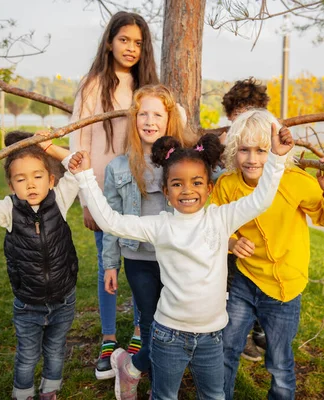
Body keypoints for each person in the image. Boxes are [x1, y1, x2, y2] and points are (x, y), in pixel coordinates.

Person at [70, 123, 295, 399]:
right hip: (168, 336)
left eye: (197, 182)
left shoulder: (221, 219)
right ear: (166, 191)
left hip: (212, 337)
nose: (187, 190)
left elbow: (261, 200)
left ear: (209, 187)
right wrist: (85, 178)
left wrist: (277, 158)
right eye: (177, 184)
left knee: (213, 395)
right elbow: (111, 222)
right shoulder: (160, 226)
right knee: (164, 395)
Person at [211, 109, 324, 400]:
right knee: (226, 346)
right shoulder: (227, 185)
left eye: (262, 150)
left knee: (279, 361)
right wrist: (233, 243)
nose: (252, 159)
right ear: (234, 150)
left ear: (274, 151)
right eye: (244, 150)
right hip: (245, 281)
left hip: (285, 288)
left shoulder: (294, 180)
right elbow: (212, 226)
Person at [68, 10, 159, 380]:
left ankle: (139, 332)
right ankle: (108, 338)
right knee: (107, 266)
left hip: (141, 192)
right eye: (124, 40)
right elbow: (80, 140)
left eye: (138, 42)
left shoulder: (146, 86)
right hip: (102, 193)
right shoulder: (93, 85)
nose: (131, 48)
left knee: (142, 265)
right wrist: (87, 198)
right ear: (109, 41)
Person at [0, 131, 81, 400]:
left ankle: (50, 391)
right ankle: (23, 394)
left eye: (38, 176)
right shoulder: (9, 209)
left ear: (51, 180)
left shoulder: (59, 200)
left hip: (64, 299)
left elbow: (78, 167)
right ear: (11, 185)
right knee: (28, 355)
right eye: (21, 179)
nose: (30, 184)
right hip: (29, 303)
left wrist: (49, 147)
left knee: (55, 349)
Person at [100, 84, 188, 399]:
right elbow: (110, 220)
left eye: (158, 115)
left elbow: (215, 181)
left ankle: (132, 366)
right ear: (135, 120)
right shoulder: (119, 167)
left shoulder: (182, 161)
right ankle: (159, 389)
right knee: (152, 325)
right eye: (143, 114)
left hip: (175, 256)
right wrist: (110, 264)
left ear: (169, 120)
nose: (149, 121)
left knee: (175, 325)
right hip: (138, 259)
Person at [221, 77, 271, 361]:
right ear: (230, 116)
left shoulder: (265, 145)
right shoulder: (225, 144)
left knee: (261, 279)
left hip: (261, 228)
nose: (246, 121)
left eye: (253, 113)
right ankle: (240, 336)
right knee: (233, 285)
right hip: (231, 228)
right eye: (240, 114)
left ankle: (260, 326)